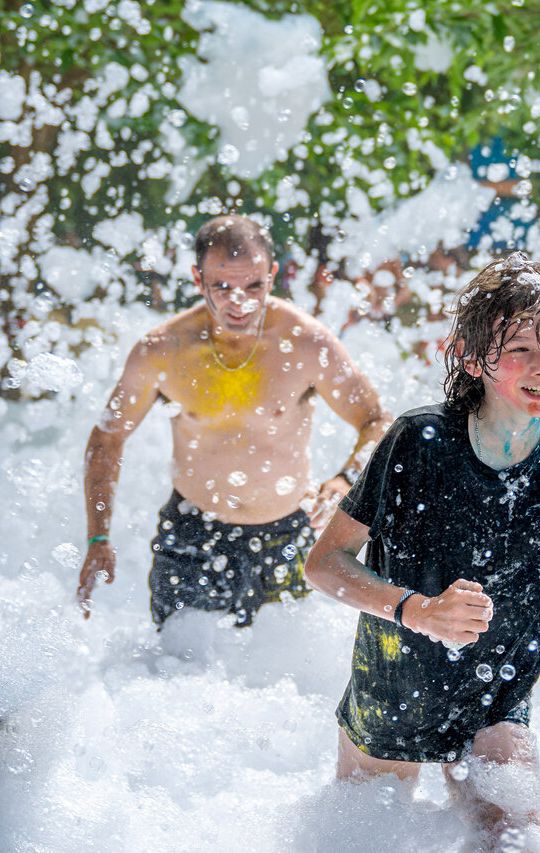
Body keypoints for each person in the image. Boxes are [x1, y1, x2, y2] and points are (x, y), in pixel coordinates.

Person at [304, 252, 540, 847]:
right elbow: (324, 564)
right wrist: (416, 610)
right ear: (472, 359)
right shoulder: (418, 443)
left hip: (498, 689)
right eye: (521, 348)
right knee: (366, 838)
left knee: (515, 839)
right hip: (396, 686)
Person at [76, 214, 390, 627]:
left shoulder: (306, 342)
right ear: (197, 278)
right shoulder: (162, 350)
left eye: (253, 286)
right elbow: (107, 438)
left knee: (277, 677)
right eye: (222, 288)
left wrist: (345, 480)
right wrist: (98, 536)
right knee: (176, 673)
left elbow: (376, 420)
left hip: (285, 537)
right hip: (192, 533)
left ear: (272, 275)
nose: (238, 302)